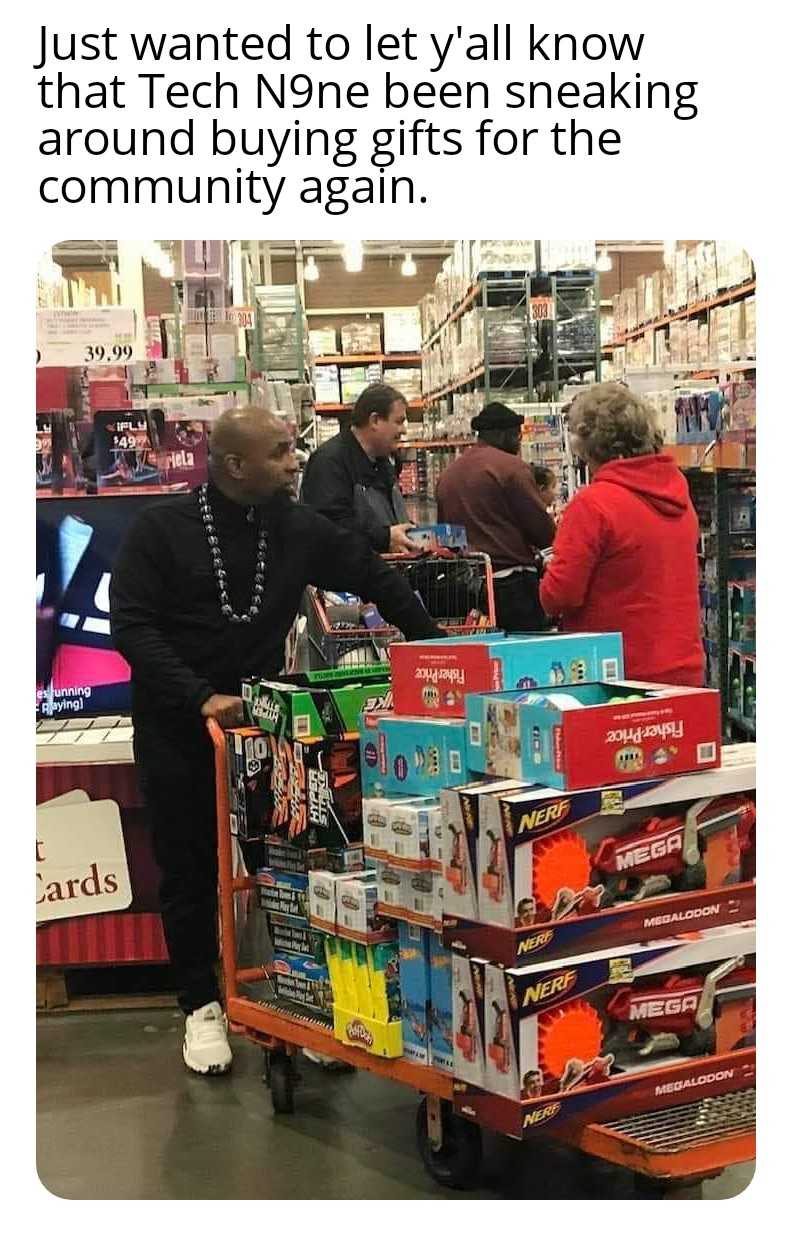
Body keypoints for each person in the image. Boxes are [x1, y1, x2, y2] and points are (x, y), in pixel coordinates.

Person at [110, 407, 442, 1076]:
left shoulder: (295, 527)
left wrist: (437, 654)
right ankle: (202, 1006)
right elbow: (133, 626)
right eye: (283, 451)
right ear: (235, 464)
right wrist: (199, 695)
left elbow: (375, 577)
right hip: (182, 724)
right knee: (189, 866)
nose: (297, 461)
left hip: (268, 723)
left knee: (286, 859)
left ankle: (304, 993)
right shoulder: (161, 530)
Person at [540, 382, 704, 686]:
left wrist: (549, 574)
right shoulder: (680, 496)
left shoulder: (592, 505)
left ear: (585, 444)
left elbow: (559, 596)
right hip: (684, 671)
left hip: (616, 676)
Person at [435, 402, 556, 631]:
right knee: (524, 656)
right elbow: (541, 529)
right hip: (512, 586)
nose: (519, 443)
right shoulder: (512, 468)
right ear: (503, 435)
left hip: (467, 587)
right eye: (516, 436)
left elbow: (446, 539)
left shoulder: (448, 475)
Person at [301, 383, 420, 554]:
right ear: (375, 420)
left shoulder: (383, 463)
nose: (404, 430)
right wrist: (384, 538)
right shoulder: (329, 462)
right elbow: (328, 528)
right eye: (399, 421)